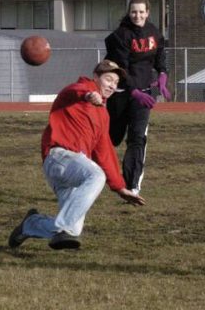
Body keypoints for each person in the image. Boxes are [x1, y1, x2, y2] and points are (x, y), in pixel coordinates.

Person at [8, 60, 145, 250]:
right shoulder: (77, 91)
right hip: (59, 157)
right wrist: (89, 95)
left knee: (74, 230)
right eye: (108, 79)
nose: (112, 85)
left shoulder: (103, 114)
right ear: (96, 77)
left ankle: (31, 224)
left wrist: (120, 187)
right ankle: (63, 226)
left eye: (115, 82)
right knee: (95, 175)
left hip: (72, 171)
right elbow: (76, 90)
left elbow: (104, 151)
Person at [104, 0, 169, 197]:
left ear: (147, 12)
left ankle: (132, 185)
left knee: (137, 138)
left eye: (141, 12)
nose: (137, 15)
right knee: (111, 138)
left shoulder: (153, 32)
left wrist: (163, 75)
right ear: (129, 12)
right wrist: (133, 91)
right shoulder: (120, 36)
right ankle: (90, 172)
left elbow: (159, 56)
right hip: (122, 94)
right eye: (134, 12)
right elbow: (122, 67)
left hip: (144, 96)